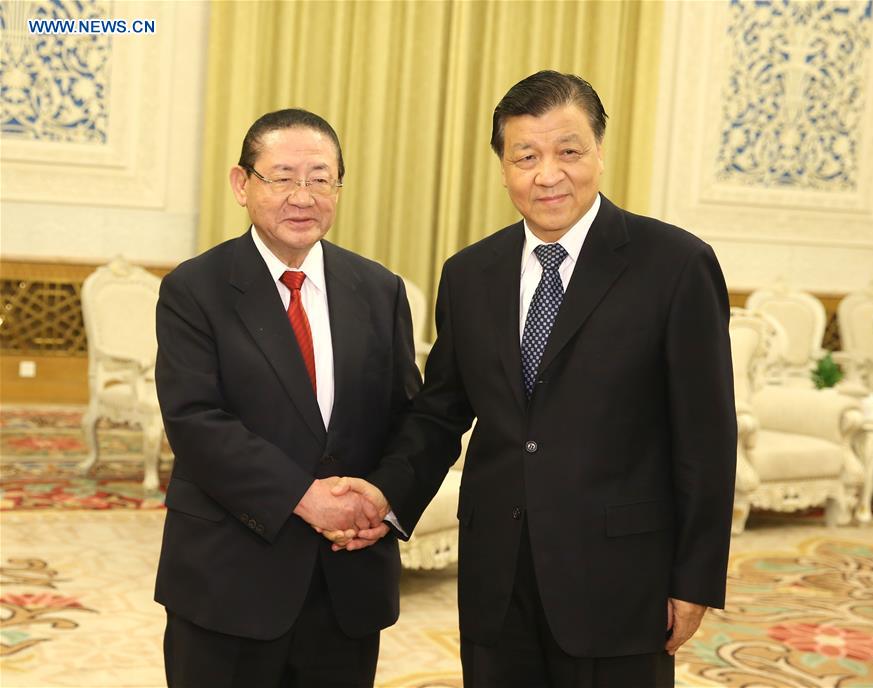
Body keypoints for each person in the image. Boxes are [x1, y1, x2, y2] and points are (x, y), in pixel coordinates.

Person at [345, 70, 738, 687]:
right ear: (503, 167)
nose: (547, 174)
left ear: (600, 154)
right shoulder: (470, 273)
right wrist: (386, 491)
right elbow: (442, 409)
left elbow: (707, 436)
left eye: (568, 152)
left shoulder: (675, 265)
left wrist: (694, 578)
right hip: (497, 580)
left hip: (619, 579)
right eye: (525, 156)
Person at [153, 108, 420, 687]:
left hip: (348, 584)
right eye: (282, 176)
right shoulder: (194, 289)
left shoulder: (378, 289)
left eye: (321, 178)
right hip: (229, 582)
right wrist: (305, 498)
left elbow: (410, 417)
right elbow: (196, 422)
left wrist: (386, 497)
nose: (303, 195)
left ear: (339, 189)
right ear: (241, 184)